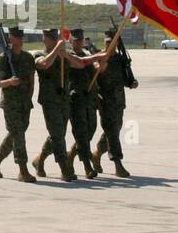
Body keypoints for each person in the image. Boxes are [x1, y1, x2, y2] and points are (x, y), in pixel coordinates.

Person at [0, 26, 37, 183]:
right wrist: (10, 82)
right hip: (10, 103)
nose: (20, 40)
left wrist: (29, 97)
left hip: (24, 103)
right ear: (11, 39)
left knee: (16, 134)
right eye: (17, 37)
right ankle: (23, 170)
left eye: (21, 37)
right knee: (19, 135)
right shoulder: (3, 58)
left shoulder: (28, 57)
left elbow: (31, 80)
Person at [32, 29, 82, 182]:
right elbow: (45, 64)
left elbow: (80, 65)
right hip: (50, 101)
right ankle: (64, 167)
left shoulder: (62, 55)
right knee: (58, 135)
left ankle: (39, 160)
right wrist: (56, 50)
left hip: (64, 99)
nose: (53, 40)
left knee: (57, 134)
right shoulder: (39, 55)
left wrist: (65, 54)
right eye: (50, 38)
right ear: (44, 40)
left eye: (55, 38)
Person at [93, 28, 139, 177]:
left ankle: (97, 153)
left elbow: (124, 80)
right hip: (105, 103)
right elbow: (92, 82)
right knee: (112, 133)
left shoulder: (120, 59)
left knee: (113, 132)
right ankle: (118, 163)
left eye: (113, 43)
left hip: (119, 102)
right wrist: (97, 103)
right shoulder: (99, 58)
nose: (110, 46)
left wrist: (132, 83)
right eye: (108, 43)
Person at [66, 28, 100, 178]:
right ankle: (87, 165)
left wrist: (103, 61)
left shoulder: (87, 55)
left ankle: (68, 156)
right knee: (81, 134)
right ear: (70, 41)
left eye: (80, 40)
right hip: (76, 100)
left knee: (91, 129)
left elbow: (95, 73)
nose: (78, 42)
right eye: (75, 40)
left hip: (89, 99)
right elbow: (80, 64)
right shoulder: (68, 56)